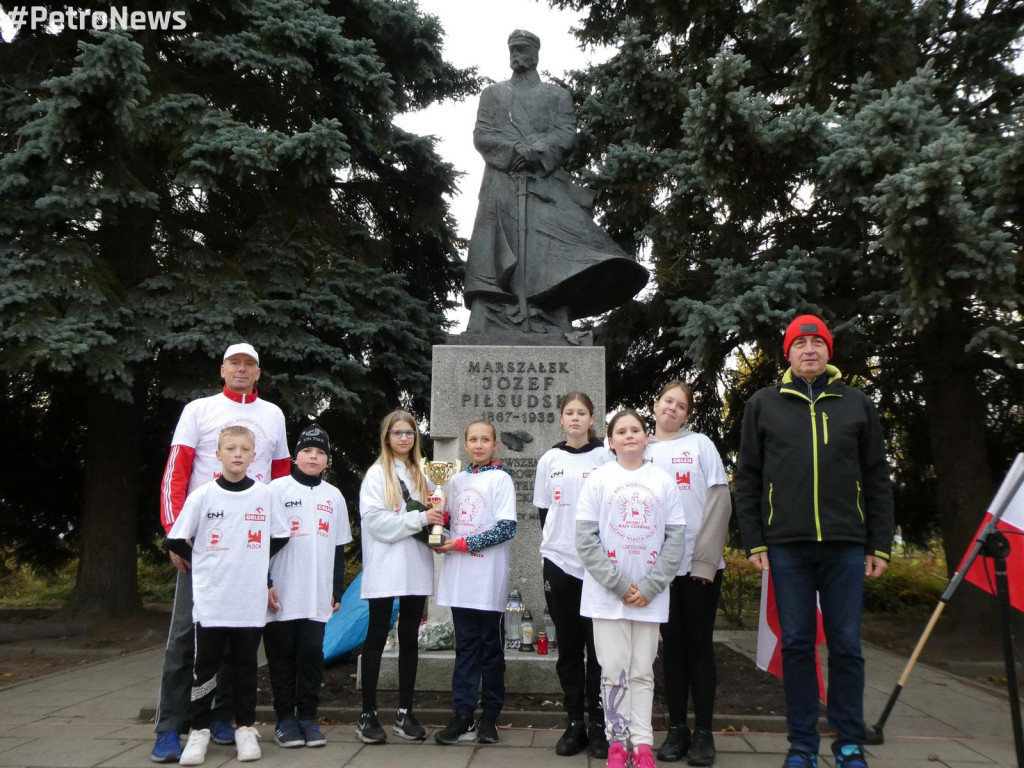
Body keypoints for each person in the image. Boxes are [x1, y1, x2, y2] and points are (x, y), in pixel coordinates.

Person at [734, 314, 894, 768]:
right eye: (800, 343)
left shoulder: (857, 404)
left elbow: (878, 477)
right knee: (798, 645)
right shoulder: (763, 404)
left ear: (829, 351)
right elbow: (747, 478)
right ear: (787, 353)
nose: (809, 349)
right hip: (786, 547)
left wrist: (878, 543)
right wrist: (755, 541)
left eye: (817, 342)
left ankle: (848, 742)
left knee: (846, 645)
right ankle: (802, 744)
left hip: (846, 545)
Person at [152, 343, 290, 763]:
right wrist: (177, 534)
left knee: (239, 637)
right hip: (204, 544)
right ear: (223, 370)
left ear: (259, 373)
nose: (243, 370)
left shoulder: (273, 415)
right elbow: (177, 469)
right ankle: (171, 727)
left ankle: (222, 718)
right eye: (236, 364)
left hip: (249, 548)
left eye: (250, 364)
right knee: (185, 638)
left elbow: (281, 477)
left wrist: (271, 546)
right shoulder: (200, 410)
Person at [464, 29, 648, 335]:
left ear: (536, 54)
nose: (516, 55)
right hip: (502, 182)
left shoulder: (557, 95)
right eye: (512, 50)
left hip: (544, 183)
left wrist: (536, 153)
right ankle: (489, 311)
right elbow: (482, 134)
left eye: (522, 49)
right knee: (494, 250)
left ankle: (551, 307)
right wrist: (514, 152)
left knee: (552, 248)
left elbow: (565, 133)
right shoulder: (493, 95)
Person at [576, 409, 686, 768]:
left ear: (645, 436)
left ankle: (641, 744)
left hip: (650, 597)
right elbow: (586, 539)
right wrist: (620, 584)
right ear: (610, 441)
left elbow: (675, 538)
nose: (629, 436)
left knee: (642, 670)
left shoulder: (663, 481)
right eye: (620, 431)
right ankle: (617, 742)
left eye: (635, 429)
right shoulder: (598, 479)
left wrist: (651, 585)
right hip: (608, 596)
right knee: (613, 671)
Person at [647, 382, 732, 766]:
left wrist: (705, 560)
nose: (673, 409)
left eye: (681, 406)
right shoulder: (641, 449)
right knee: (672, 648)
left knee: (698, 646)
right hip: (658, 569)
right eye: (668, 401)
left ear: (687, 414)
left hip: (698, 566)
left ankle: (704, 734)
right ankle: (677, 729)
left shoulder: (700, 445)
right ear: (655, 405)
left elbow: (719, 500)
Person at [533, 392, 614, 758]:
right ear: (561, 419)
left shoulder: (606, 458)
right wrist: (556, 548)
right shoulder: (549, 459)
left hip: (597, 566)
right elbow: (543, 511)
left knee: (598, 650)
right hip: (560, 563)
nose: (576, 418)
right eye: (570, 413)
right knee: (568, 648)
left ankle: (599, 725)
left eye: (582, 413)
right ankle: (574, 723)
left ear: (592, 419)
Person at [356, 411, 444, 744]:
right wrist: (419, 521)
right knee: (377, 635)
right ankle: (367, 713)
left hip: (415, 566)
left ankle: (404, 712)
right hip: (384, 566)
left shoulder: (424, 473)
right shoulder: (377, 475)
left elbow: (437, 512)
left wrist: (439, 530)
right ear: (387, 436)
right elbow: (376, 524)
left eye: (409, 432)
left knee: (409, 637)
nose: (404, 438)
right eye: (397, 433)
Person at [265, 424, 353, 749]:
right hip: (281, 593)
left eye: (320, 453)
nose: (313, 457)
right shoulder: (275, 490)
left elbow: (339, 548)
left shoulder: (335, 496)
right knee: (282, 657)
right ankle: (285, 720)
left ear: (327, 460)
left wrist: (337, 590)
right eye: (307, 451)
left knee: (311, 658)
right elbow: (260, 545)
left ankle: (308, 718)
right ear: (295, 457)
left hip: (317, 595)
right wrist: (266, 583)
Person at [433, 421, 517, 745]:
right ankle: (463, 715)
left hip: (487, 580)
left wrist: (460, 545)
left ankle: (490, 716)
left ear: (495, 445)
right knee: (465, 649)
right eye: (473, 439)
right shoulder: (454, 480)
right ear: (465, 445)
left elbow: (506, 528)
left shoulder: (501, 479)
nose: (479, 445)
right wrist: (438, 528)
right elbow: (451, 522)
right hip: (460, 580)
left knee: (490, 650)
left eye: (485, 439)